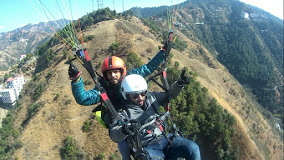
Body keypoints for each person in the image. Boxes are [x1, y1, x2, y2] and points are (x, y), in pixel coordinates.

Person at [68, 50, 166, 160]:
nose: (113, 75)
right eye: (109, 73)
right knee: (123, 141)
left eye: (115, 72)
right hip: (118, 120)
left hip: (133, 113)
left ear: (122, 71)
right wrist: (76, 80)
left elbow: (149, 67)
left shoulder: (130, 79)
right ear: (105, 75)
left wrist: (163, 52)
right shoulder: (103, 89)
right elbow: (84, 98)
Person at [109, 74, 201, 160]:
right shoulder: (124, 113)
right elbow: (114, 134)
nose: (140, 97)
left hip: (166, 139)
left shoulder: (151, 98)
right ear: (127, 96)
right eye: (135, 95)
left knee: (193, 148)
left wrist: (178, 84)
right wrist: (125, 129)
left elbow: (169, 94)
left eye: (143, 93)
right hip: (148, 147)